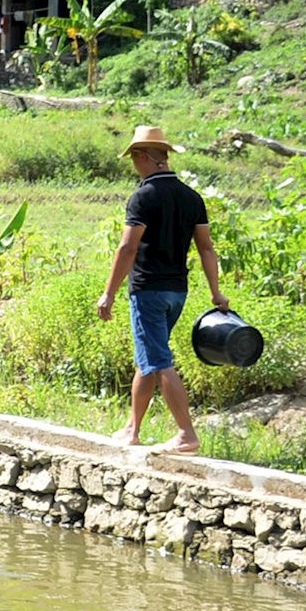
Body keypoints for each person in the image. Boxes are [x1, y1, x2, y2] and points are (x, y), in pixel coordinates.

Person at [96, 125, 229, 452]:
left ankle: (186, 433)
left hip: (148, 291)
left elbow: (128, 248)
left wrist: (109, 293)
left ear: (142, 156)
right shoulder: (191, 197)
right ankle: (132, 428)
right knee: (149, 359)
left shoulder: (143, 196)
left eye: (133, 159)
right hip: (176, 292)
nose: (133, 166)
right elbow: (207, 248)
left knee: (159, 360)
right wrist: (216, 292)